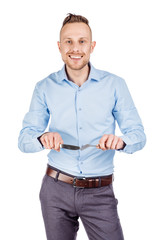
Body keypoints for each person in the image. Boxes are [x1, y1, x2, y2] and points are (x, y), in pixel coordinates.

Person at [18, 13, 146, 240]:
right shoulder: (44, 87)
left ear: (92, 45)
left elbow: (138, 135)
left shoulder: (115, 85)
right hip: (55, 190)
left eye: (82, 41)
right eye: (68, 41)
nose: (75, 48)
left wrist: (121, 141)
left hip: (100, 193)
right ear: (59, 46)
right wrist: (42, 138)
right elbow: (24, 140)